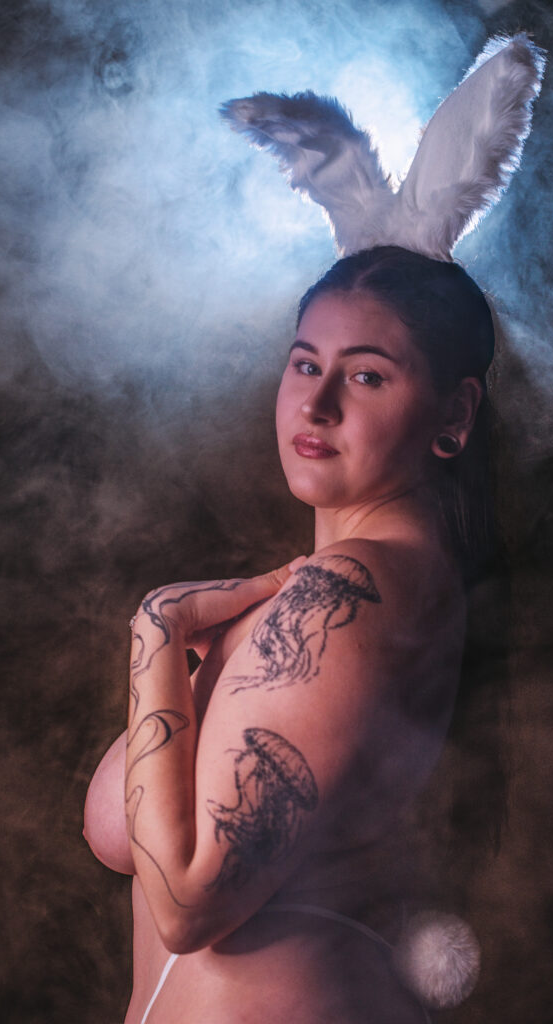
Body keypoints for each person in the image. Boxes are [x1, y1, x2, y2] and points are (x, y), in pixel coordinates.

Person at [83, 244, 496, 1023]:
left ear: (454, 415)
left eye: (366, 376)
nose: (317, 404)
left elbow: (186, 903)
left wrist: (158, 629)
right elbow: (116, 828)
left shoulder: (356, 590)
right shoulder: (323, 595)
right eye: (306, 365)